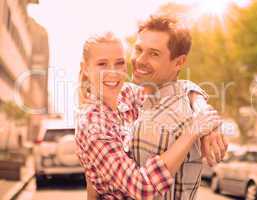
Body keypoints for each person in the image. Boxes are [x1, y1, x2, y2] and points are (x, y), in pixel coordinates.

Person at [75, 32, 221, 199]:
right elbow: (142, 188)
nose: (113, 72)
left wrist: (201, 109)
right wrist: (194, 130)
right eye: (102, 64)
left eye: (119, 63)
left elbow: (179, 88)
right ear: (85, 68)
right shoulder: (92, 124)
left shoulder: (126, 94)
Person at [128, 14, 228, 199]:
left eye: (154, 53)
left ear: (179, 62)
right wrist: (199, 102)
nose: (140, 60)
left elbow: (142, 191)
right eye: (138, 49)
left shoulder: (164, 121)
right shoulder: (148, 101)